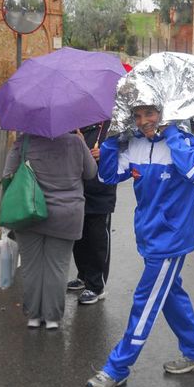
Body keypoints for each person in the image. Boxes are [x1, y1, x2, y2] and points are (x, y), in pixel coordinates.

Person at [86, 105, 194, 387]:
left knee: (145, 301)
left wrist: (170, 132)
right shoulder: (135, 144)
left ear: (165, 113)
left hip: (171, 241)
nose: (144, 122)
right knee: (170, 293)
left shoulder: (185, 142)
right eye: (138, 115)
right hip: (148, 236)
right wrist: (111, 141)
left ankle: (117, 368)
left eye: (150, 114)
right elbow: (108, 177)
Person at [2, 132, 97, 330]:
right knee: (58, 266)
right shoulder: (76, 142)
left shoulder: (24, 142)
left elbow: (7, 174)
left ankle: (34, 317)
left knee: (31, 266)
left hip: (28, 211)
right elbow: (90, 173)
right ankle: (52, 318)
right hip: (67, 213)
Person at [67, 121, 117, 305]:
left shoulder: (112, 127)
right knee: (78, 237)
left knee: (97, 239)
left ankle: (97, 286)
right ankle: (83, 276)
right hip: (76, 188)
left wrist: (106, 153)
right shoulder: (74, 124)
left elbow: (127, 151)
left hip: (101, 190)